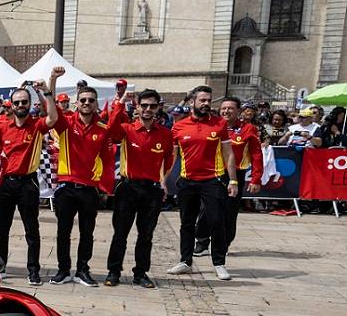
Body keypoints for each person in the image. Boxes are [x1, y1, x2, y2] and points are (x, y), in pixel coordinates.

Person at [49, 80, 124, 286]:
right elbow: (52, 106)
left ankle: (83, 269)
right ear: (76, 103)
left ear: (96, 104)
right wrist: (53, 81)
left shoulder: (103, 129)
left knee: (87, 232)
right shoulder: (65, 124)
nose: (86, 103)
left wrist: (104, 186)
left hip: (89, 189)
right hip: (66, 187)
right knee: (63, 232)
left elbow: (108, 159)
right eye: (83, 100)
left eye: (91, 100)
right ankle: (63, 270)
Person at [0, 71, 62, 286]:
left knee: (32, 229)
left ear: (29, 103)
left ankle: (33, 270)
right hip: (5, 183)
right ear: (11, 105)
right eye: (17, 102)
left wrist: (47, 91)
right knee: (2, 230)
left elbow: (53, 118)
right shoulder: (2, 127)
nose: (20, 105)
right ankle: (0, 267)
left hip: (28, 183)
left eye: (24, 101)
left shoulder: (36, 125)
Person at [103, 89, 174, 288]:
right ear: (138, 107)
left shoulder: (166, 134)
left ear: (158, 107)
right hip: (128, 188)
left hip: (151, 191)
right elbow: (111, 129)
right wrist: (120, 102)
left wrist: (163, 180)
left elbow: (169, 159)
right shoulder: (127, 129)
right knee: (120, 233)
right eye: (144, 105)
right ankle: (113, 271)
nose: (148, 109)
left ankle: (141, 273)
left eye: (152, 106)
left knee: (146, 235)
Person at [166, 85, 237, 281]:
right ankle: (185, 261)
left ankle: (219, 263)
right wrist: (163, 180)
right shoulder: (179, 126)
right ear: (192, 102)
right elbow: (172, 156)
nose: (206, 103)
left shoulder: (219, 124)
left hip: (213, 180)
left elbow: (228, 153)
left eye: (209, 100)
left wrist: (232, 180)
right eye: (202, 100)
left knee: (216, 221)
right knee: (186, 222)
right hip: (187, 181)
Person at [195, 96, 262, 256]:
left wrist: (256, 178)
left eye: (230, 108)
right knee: (206, 208)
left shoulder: (248, 129)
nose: (226, 111)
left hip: (236, 174)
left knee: (229, 211)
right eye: (223, 108)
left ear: (238, 111)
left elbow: (257, 154)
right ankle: (202, 241)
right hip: (213, 173)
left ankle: (223, 243)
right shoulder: (212, 125)